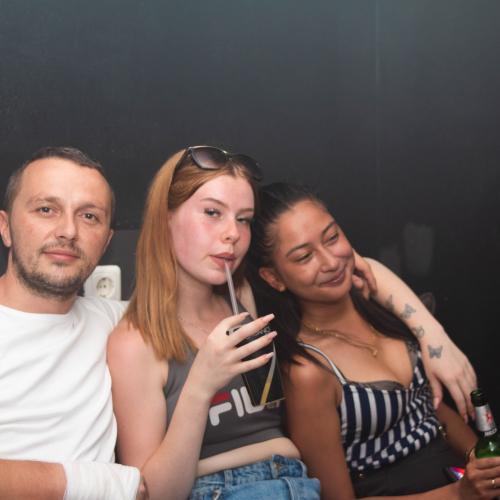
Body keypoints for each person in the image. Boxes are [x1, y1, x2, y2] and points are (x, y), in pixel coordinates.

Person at [0, 146, 271, 500]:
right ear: (5, 227)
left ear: (107, 241)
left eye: (90, 216)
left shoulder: (118, 322)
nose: (68, 231)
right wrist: (103, 483)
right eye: (46, 209)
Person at [247, 182, 500, 499]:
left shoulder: (380, 303)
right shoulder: (307, 371)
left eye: (332, 237)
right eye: (304, 256)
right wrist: (460, 493)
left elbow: (431, 409)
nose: (330, 261)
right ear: (273, 277)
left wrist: (484, 462)